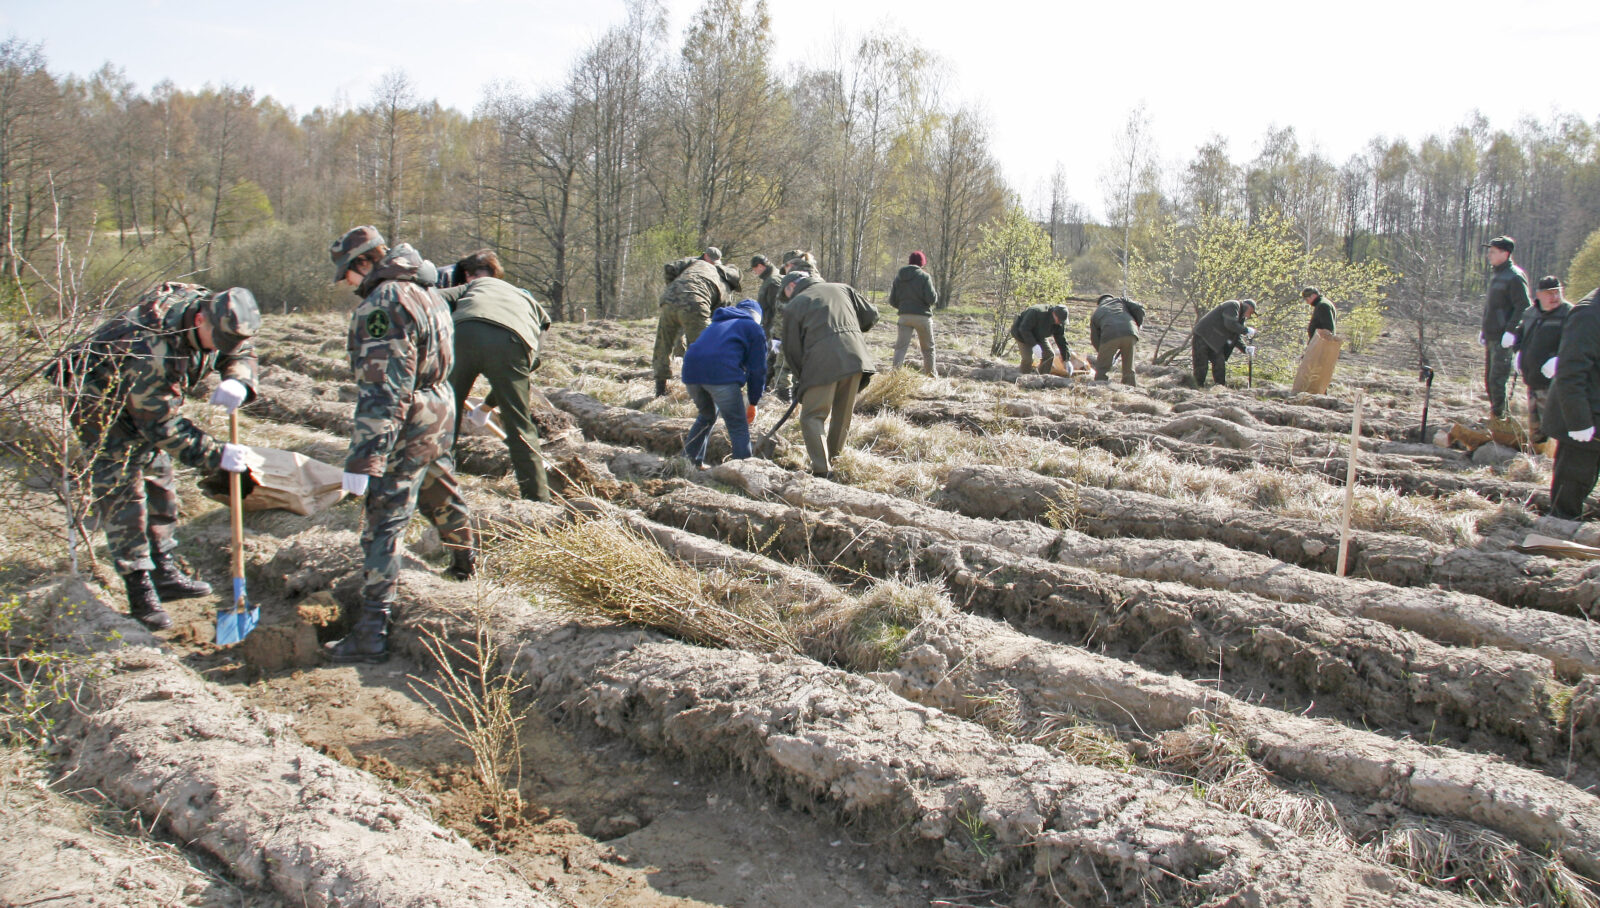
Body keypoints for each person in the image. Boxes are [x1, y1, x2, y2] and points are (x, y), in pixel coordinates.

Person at [49, 282, 262, 629]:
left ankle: (162, 567)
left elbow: (242, 348)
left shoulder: (218, 312)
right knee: (123, 488)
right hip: (100, 405)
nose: (222, 349)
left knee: (159, 477)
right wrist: (216, 455)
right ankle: (139, 586)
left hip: (146, 401)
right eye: (219, 343)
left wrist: (238, 379)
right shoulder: (151, 348)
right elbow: (161, 427)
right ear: (199, 321)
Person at [326, 226, 476, 663]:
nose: (348, 285)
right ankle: (468, 565)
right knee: (440, 487)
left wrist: (365, 456)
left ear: (363, 263)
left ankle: (372, 629)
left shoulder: (384, 303)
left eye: (347, 275)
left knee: (384, 519)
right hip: (439, 409)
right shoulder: (427, 291)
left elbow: (385, 388)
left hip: (407, 417)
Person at [438, 249, 553, 503]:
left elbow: (430, 299)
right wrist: (488, 405)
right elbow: (529, 361)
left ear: (467, 275)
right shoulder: (525, 298)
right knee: (521, 427)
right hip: (514, 341)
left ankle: (436, 491)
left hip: (463, 334)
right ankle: (537, 500)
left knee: (445, 417)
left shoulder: (471, 286)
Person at [782, 270, 878, 478]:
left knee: (811, 416)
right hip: (855, 358)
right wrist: (850, 331)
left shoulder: (795, 304)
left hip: (822, 363)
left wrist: (801, 380)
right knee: (842, 414)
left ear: (791, 287)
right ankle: (835, 459)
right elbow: (871, 315)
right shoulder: (842, 288)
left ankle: (822, 469)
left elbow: (792, 351)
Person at [681, 299, 766, 468]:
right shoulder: (753, 328)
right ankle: (743, 472)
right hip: (720, 374)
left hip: (691, 372)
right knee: (737, 425)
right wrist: (754, 401)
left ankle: (688, 463)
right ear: (757, 317)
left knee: (706, 417)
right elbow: (757, 370)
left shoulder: (716, 324)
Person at [1542, 285, 1599, 520]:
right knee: (1569, 497)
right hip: (1585, 421)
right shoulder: (1590, 313)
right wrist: (1579, 422)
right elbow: (1570, 373)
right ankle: (1557, 538)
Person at [653, 247, 740, 397]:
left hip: (669, 298)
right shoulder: (724, 282)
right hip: (696, 303)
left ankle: (660, 389)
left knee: (663, 344)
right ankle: (705, 392)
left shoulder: (696, 264)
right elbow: (719, 318)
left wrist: (676, 291)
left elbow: (670, 267)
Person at [1511, 276, 1572, 443]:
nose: (1554, 297)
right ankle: (1536, 459)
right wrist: (1518, 353)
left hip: (1555, 386)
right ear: (1538, 295)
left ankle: (1551, 462)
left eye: (1557, 292)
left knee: (1555, 429)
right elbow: (1520, 335)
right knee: (1536, 431)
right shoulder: (1530, 313)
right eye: (1549, 293)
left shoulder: (1570, 314)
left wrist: (1560, 359)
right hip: (1533, 381)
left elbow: (1576, 343)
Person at [1480, 235, 1532, 419]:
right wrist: (1484, 329)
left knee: (1497, 380)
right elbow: (1494, 307)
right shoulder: (1497, 275)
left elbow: (1523, 306)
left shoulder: (1514, 276)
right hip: (1492, 335)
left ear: (1505, 253)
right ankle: (1496, 414)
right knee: (1489, 380)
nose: (1489, 255)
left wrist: (1511, 331)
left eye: (1493, 252)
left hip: (1504, 338)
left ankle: (1500, 418)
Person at [888, 250, 938, 376]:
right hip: (922, 317)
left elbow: (892, 300)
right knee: (928, 349)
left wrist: (904, 307)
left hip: (904, 317)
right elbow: (931, 299)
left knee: (900, 348)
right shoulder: (925, 277)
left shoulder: (899, 277)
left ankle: (895, 376)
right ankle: (931, 376)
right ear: (922, 263)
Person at [1192, 299, 1257, 388]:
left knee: (1220, 364)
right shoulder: (1233, 305)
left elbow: (1235, 336)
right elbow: (1230, 324)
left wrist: (1245, 348)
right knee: (1201, 366)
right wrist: (1245, 330)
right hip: (1203, 336)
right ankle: (1197, 389)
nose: (1250, 315)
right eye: (1251, 312)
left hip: (1215, 342)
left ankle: (1220, 389)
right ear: (1248, 307)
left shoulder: (1240, 317)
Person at [1088, 294, 1145, 386]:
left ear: (1099, 304)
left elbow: (1095, 339)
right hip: (1130, 332)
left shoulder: (1096, 313)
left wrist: (1103, 353)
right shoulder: (1121, 301)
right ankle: (1130, 387)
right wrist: (1138, 323)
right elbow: (1139, 308)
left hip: (1109, 334)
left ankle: (1100, 386)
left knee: (1102, 368)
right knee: (1129, 366)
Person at [1011, 304, 1071, 375]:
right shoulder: (1036, 312)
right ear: (1054, 314)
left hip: (1039, 335)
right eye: (1059, 320)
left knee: (1049, 355)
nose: (1059, 323)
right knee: (1028, 359)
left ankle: (1042, 376)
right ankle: (1023, 377)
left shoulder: (1059, 323)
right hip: (1021, 335)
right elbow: (1024, 329)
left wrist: (1066, 359)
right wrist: (1034, 345)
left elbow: (1061, 339)